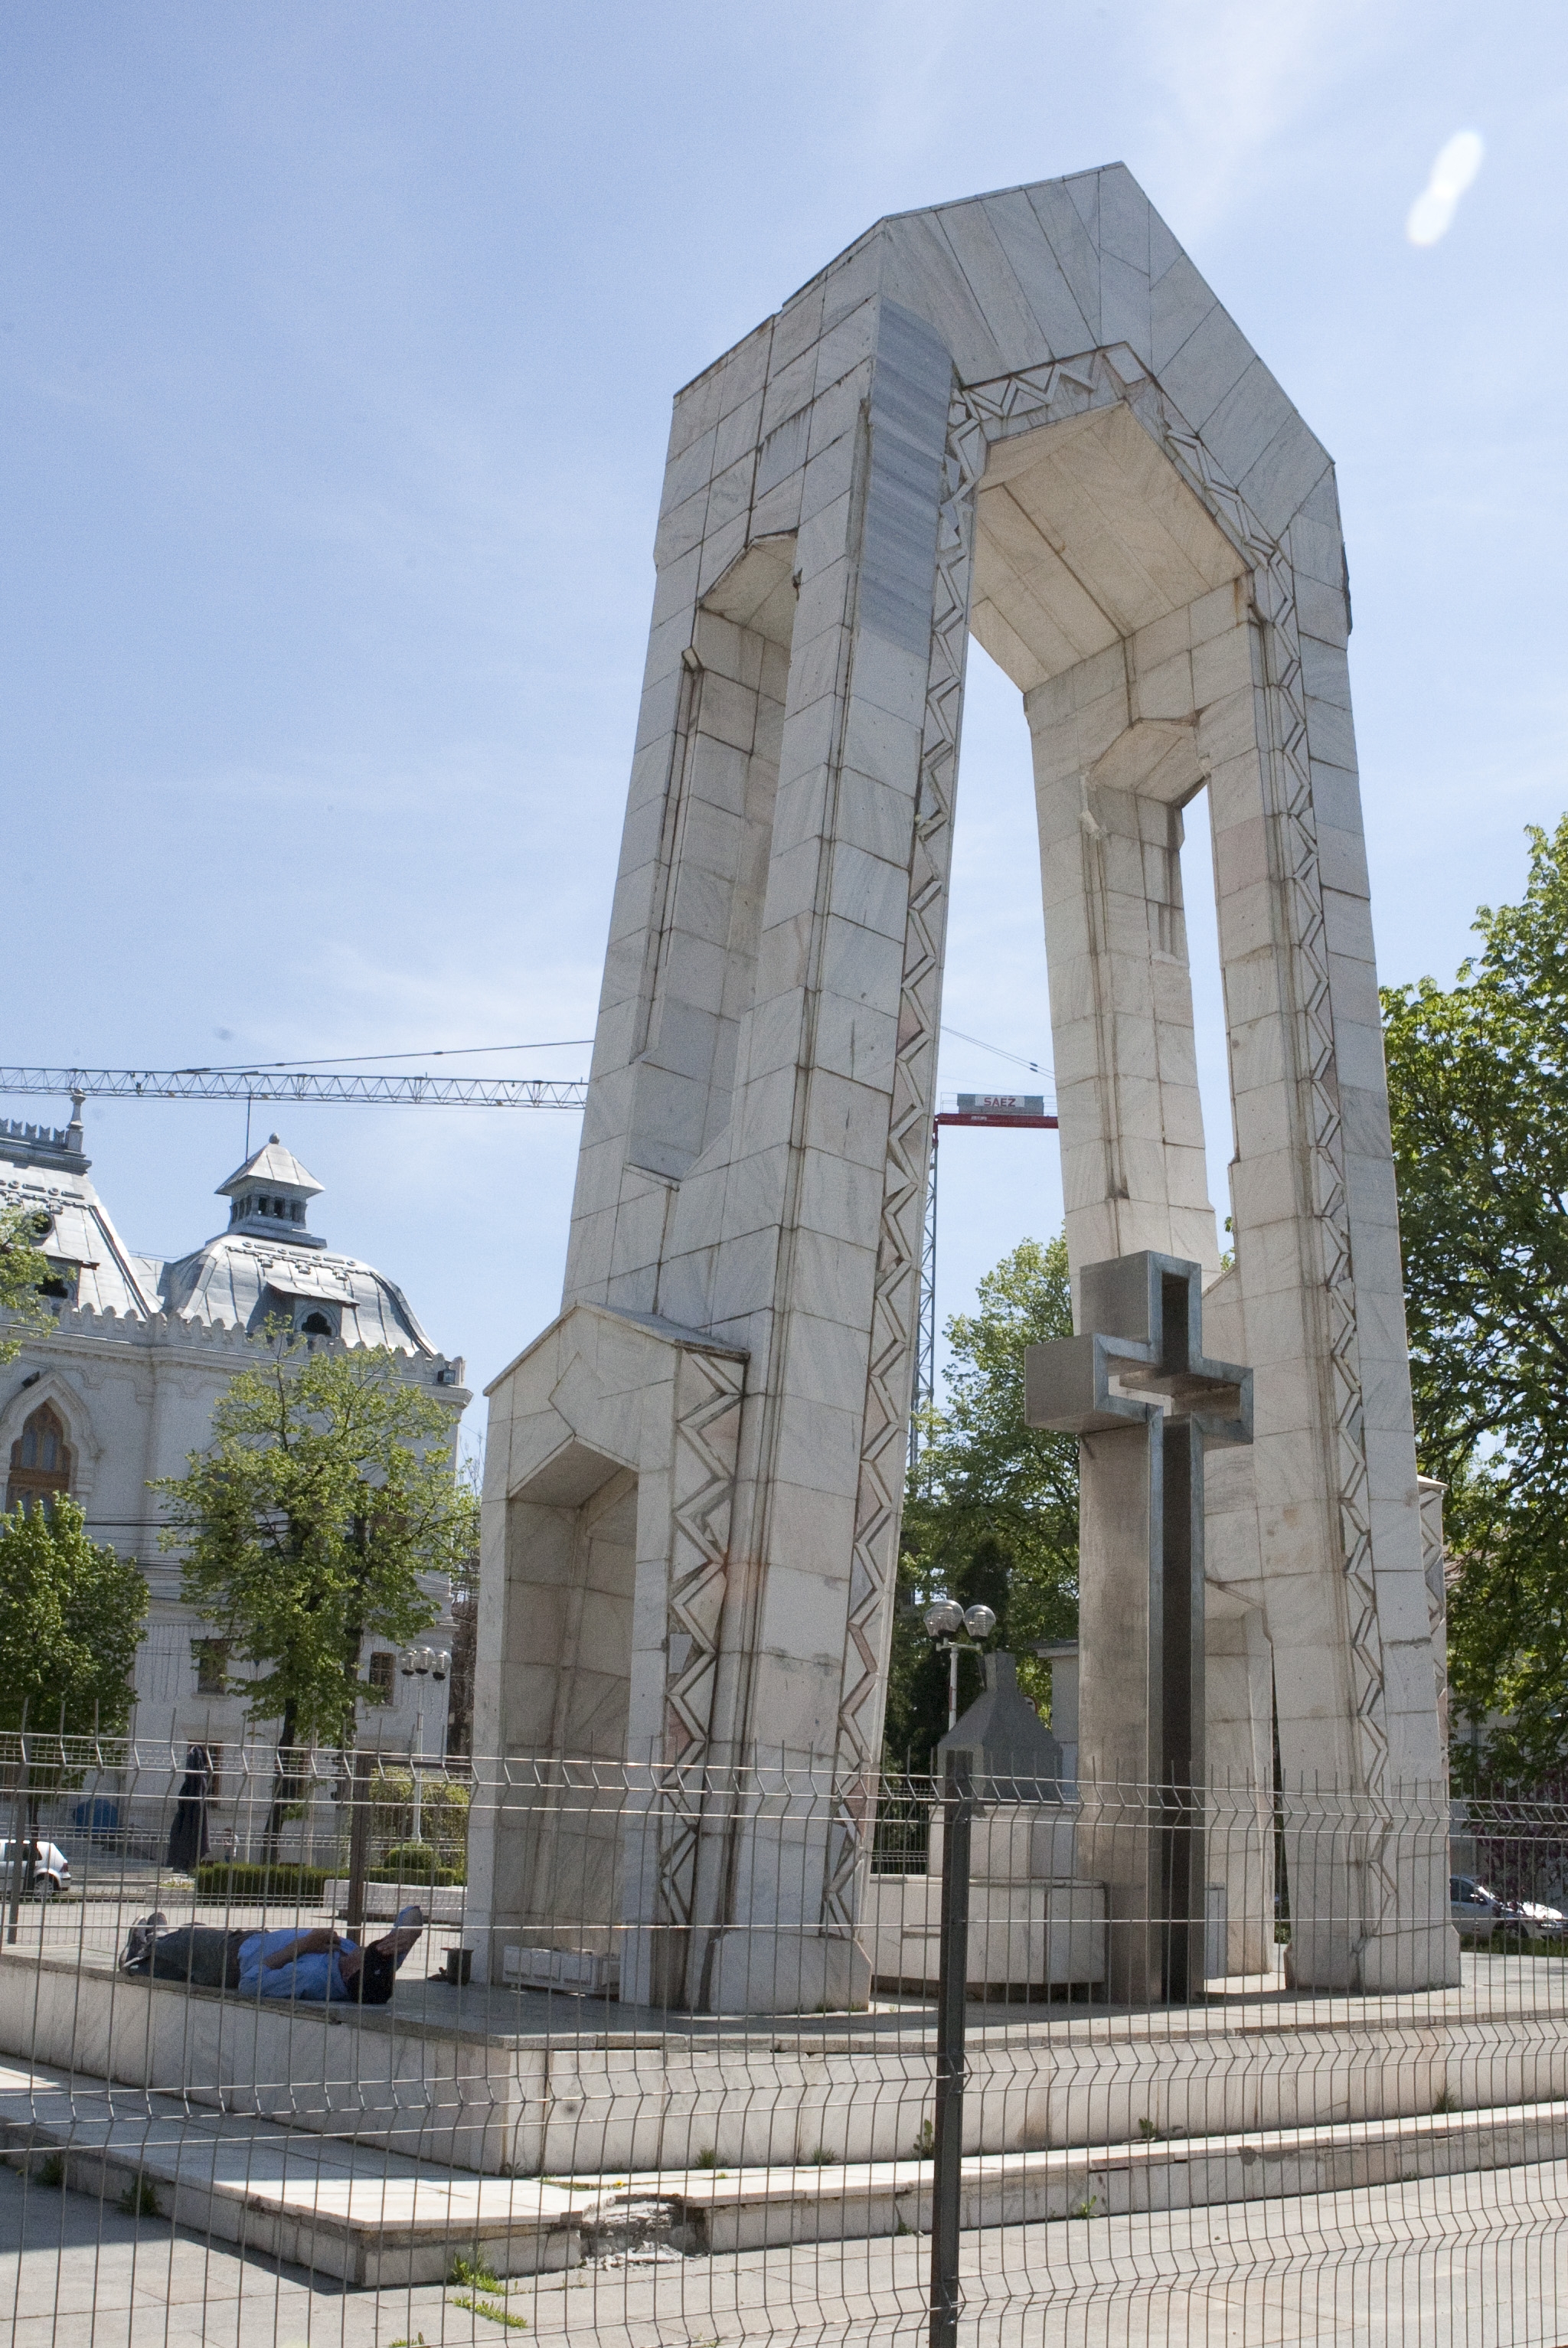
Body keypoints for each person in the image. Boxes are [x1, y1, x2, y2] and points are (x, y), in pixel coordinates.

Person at [119, 1905, 423, 2003]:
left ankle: (148, 1945)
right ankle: (146, 1957)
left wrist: (301, 1946)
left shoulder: (314, 1976)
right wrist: (408, 1934)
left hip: (233, 1958)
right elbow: (413, 1914)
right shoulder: (376, 1973)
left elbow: (250, 1984)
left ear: (349, 1973)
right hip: (250, 1943)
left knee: (187, 1939)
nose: (361, 1949)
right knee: (175, 1965)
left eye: (363, 1955)